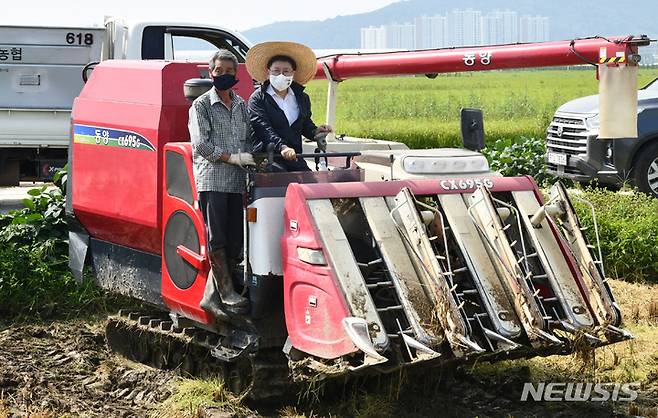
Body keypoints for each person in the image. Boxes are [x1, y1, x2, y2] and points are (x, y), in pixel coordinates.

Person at [188, 49, 254, 318]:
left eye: (230, 72)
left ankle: (209, 297)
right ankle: (226, 291)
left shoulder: (242, 105)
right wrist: (231, 157)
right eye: (220, 71)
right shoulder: (201, 105)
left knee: (236, 238)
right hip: (212, 179)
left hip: (237, 180)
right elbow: (201, 144)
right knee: (217, 237)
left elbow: (250, 137)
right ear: (210, 72)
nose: (225, 75)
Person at [246, 41, 332, 172]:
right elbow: (263, 129)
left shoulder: (302, 98)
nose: (281, 75)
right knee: (279, 178)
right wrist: (283, 147)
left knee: (309, 183)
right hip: (267, 158)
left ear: (293, 73)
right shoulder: (257, 99)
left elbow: (304, 124)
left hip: (294, 157)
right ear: (268, 72)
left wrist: (315, 132)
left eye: (286, 71)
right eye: (276, 71)